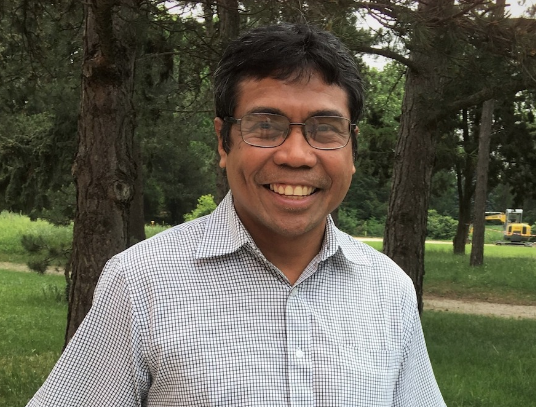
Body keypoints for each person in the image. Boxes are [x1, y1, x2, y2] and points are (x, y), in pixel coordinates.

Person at [27, 23, 445, 406]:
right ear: (223, 141)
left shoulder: (390, 291)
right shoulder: (140, 283)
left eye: (324, 128)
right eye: (265, 126)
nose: (296, 155)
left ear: (353, 147)